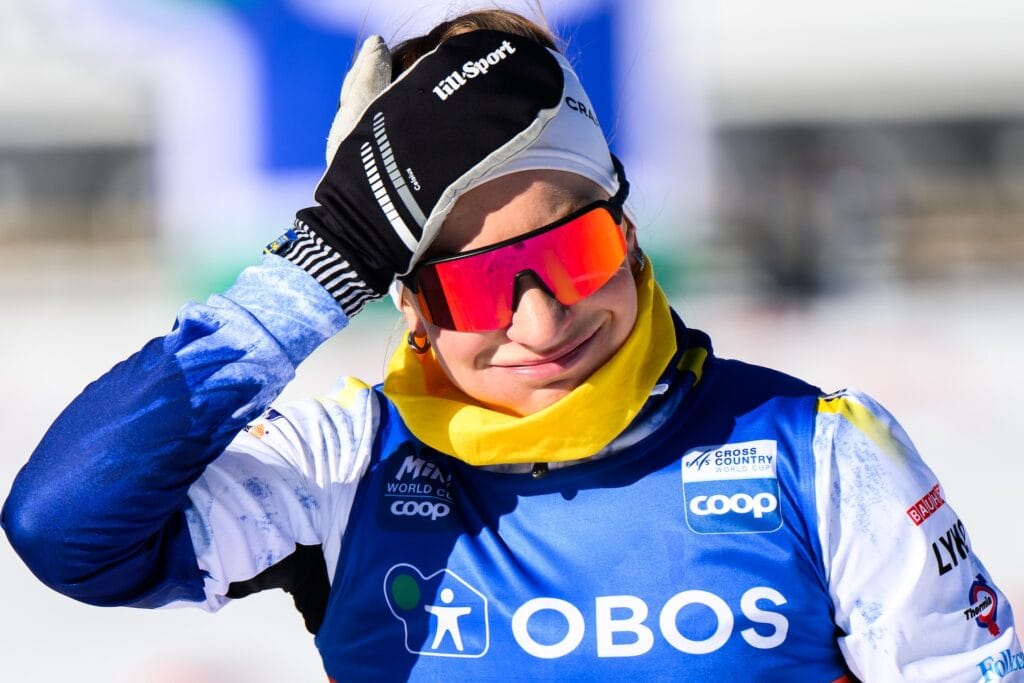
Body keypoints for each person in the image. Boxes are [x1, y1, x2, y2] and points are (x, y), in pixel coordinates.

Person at [2, 9, 1020, 682]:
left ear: (627, 232)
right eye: (480, 281)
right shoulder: (343, 467)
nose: (543, 320)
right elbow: (65, 528)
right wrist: (317, 261)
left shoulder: (816, 451)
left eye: (576, 248)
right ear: (402, 302)